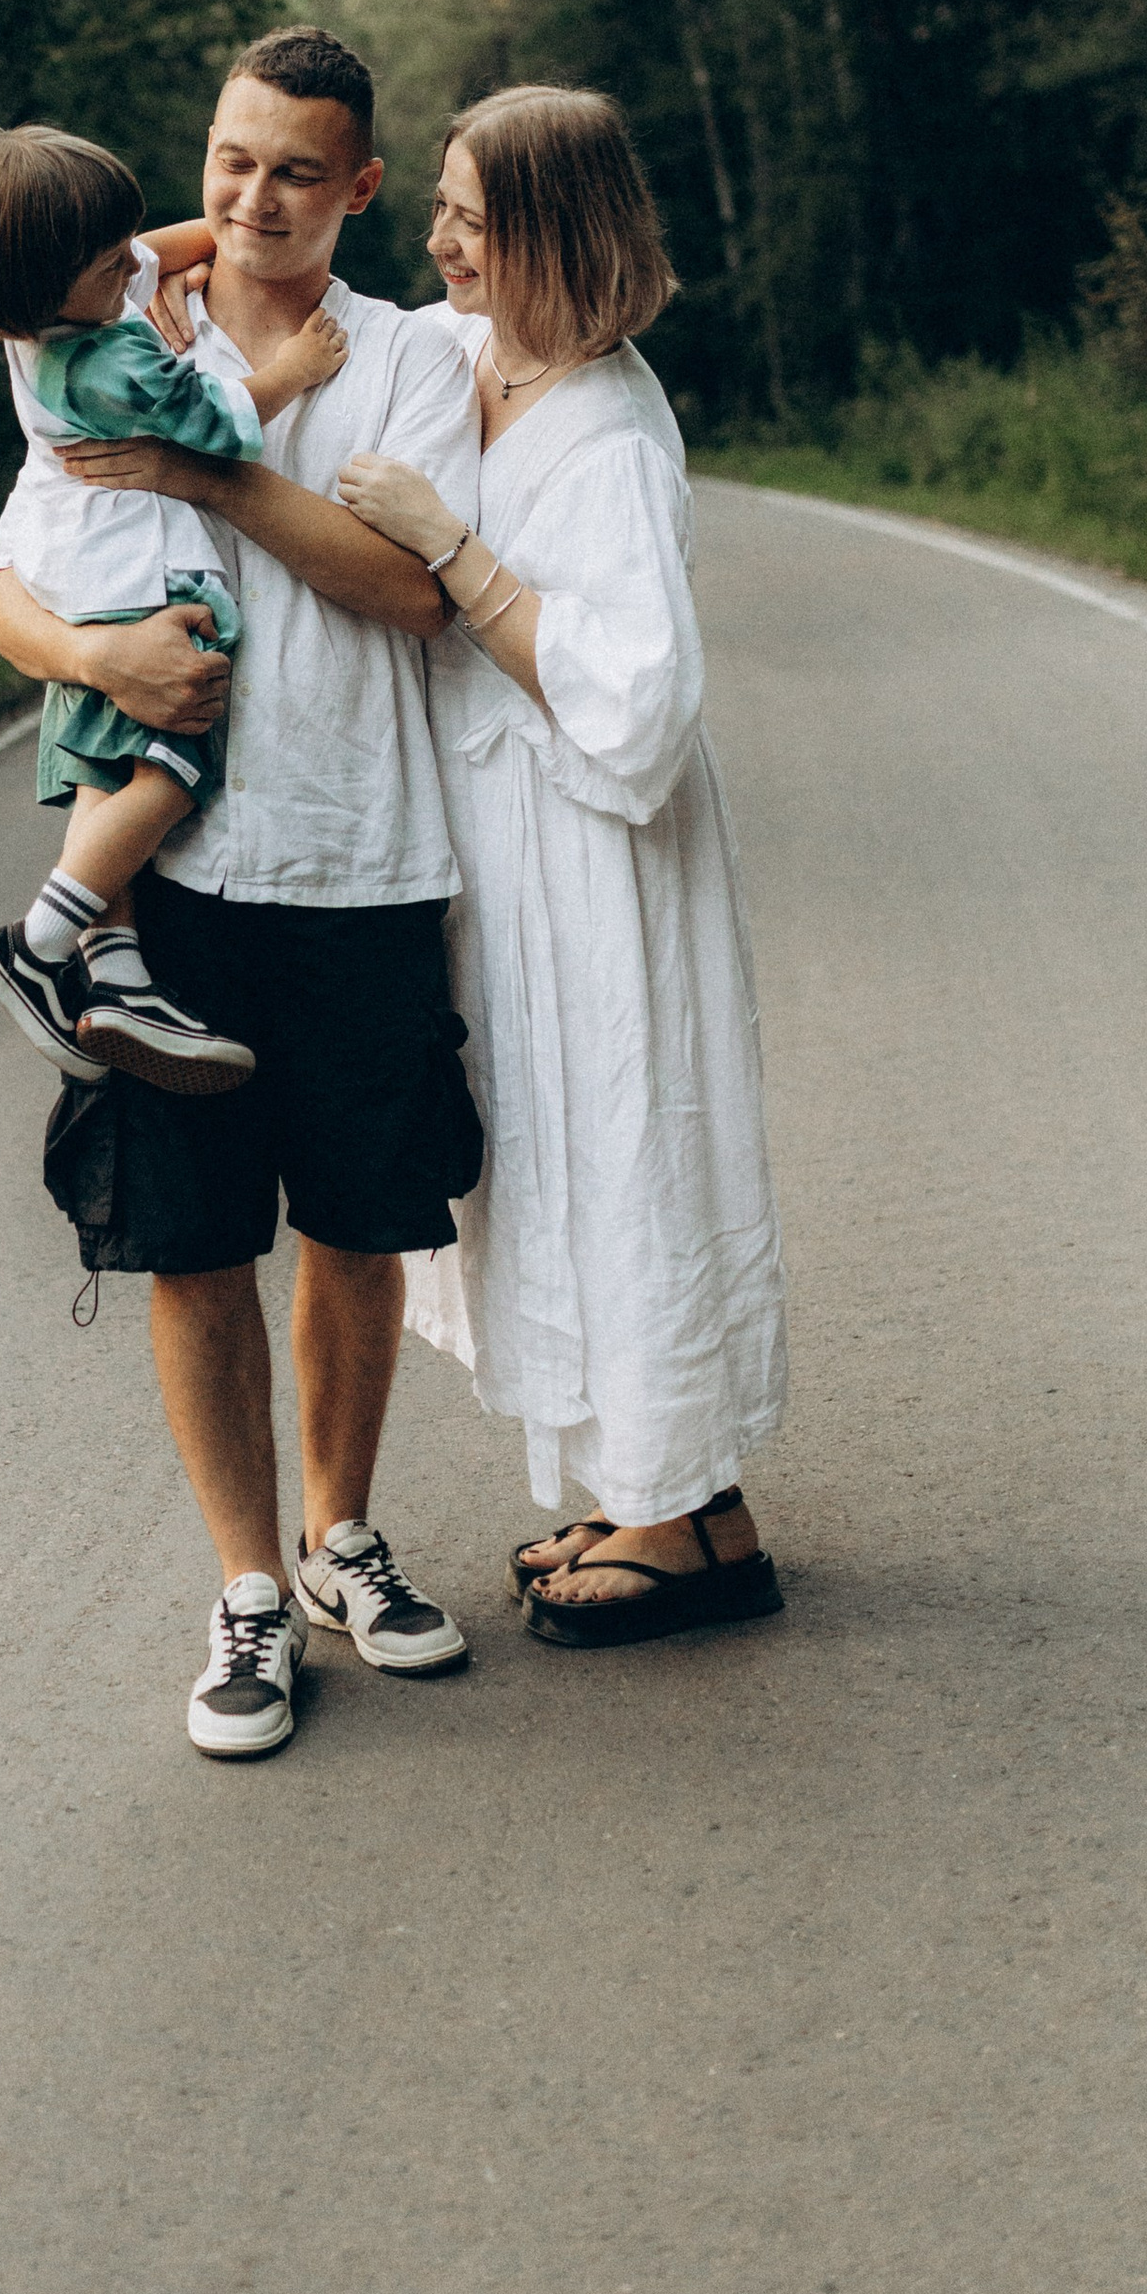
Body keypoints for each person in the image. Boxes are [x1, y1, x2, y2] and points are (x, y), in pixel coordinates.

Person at [0, 27, 485, 1759]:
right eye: (228, 163)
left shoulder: (409, 359)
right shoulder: (118, 330)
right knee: (193, 1245)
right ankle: (250, 1593)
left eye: (295, 172)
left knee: (361, 1230)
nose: (254, 200)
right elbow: (4, 595)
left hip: (364, 863)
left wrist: (208, 470)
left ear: (359, 189)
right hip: (177, 887)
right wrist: (96, 644)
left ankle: (347, 1541)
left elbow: (415, 594)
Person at [335, 83, 790, 1647]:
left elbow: (641, 701)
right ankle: (680, 1494)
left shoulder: (605, 428)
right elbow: (324, 303)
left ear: (549, 232)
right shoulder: (472, 352)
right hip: (508, 847)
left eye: (470, 212)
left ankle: (674, 1513)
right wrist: (204, 232)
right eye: (442, 205)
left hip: (599, 851)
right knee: (549, 1157)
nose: (439, 235)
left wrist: (456, 556)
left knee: (626, 1145)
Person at [0, 122, 349, 1092]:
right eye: (110, 255)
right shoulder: (106, 363)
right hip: (146, 588)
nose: (135, 261)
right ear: (54, 278)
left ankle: (116, 977)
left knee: (106, 774)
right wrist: (297, 364)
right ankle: (38, 945)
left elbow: (158, 250)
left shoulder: (33, 321)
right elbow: (221, 427)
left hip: (80, 579)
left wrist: (217, 235)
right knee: (173, 769)